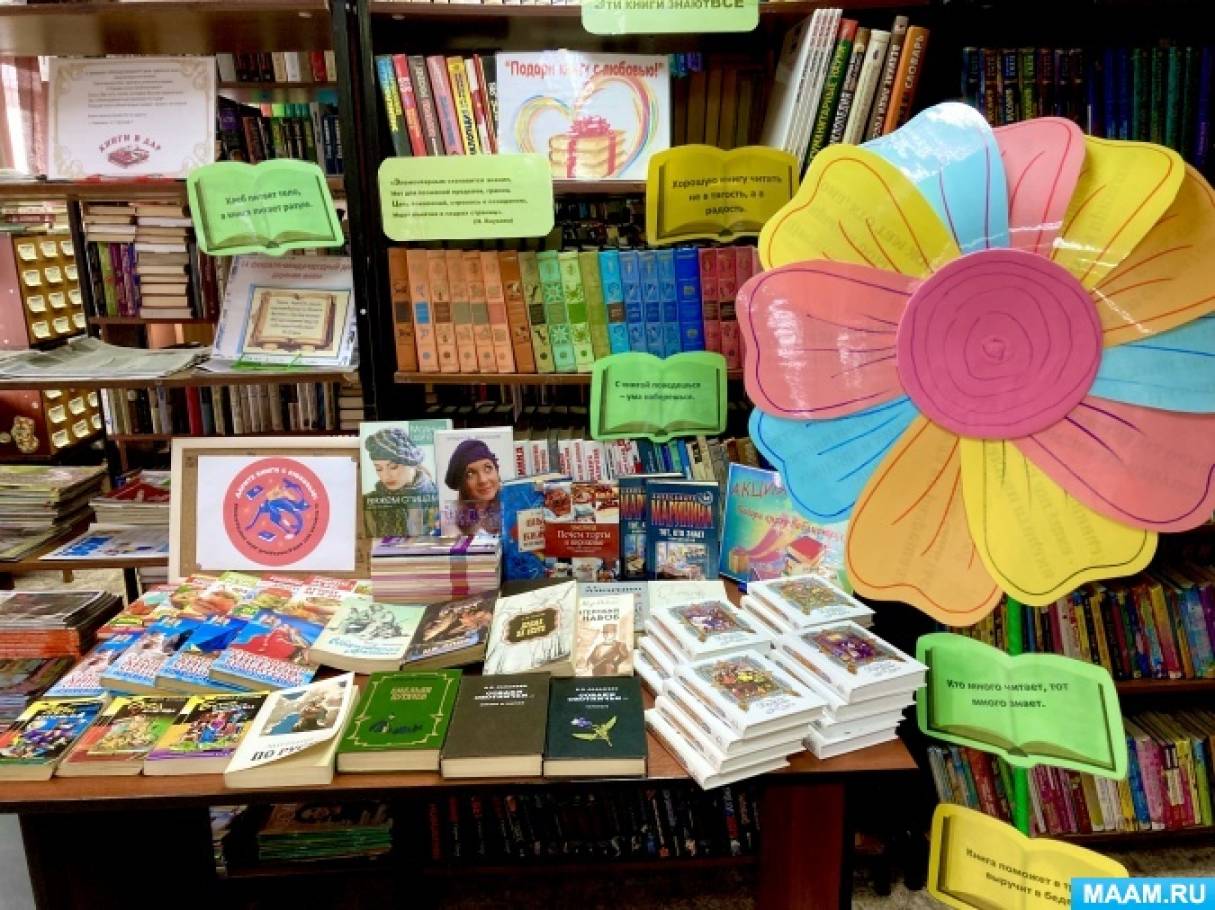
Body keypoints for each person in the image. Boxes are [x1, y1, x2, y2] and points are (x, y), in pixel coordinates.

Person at [363, 426, 439, 536]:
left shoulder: (439, 497)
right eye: (378, 469)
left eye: (393, 467)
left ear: (412, 464)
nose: (385, 476)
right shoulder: (368, 502)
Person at [443, 438, 502, 535]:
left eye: (488, 468)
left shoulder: (514, 508)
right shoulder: (450, 517)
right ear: (462, 484)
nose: (483, 480)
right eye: (470, 474)